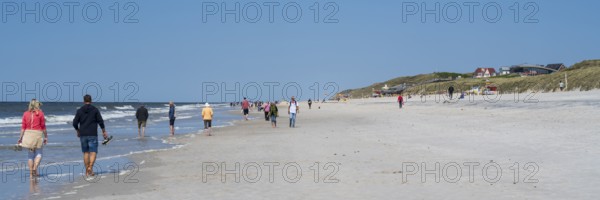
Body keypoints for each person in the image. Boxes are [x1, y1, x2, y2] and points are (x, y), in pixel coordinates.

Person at [73, 95, 108, 177]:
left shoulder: (80, 110)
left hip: (83, 134)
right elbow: (100, 121)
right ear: (91, 101)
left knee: (85, 152)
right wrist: (104, 131)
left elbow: (74, 123)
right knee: (93, 152)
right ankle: (90, 167)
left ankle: (87, 171)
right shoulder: (95, 110)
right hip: (92, 134)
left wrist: (78, 130)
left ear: (84, 101)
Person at [17, 99, 47, 178]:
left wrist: (20, 138)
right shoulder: (40, 114)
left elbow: (23, 127)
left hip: (28, 134)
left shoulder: (25, 114)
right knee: (39, 153)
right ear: (37, 105)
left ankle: (31, 174)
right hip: (37, 134)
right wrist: (46, 136)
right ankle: (35, 168)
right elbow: (43, 127)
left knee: (30, 155)